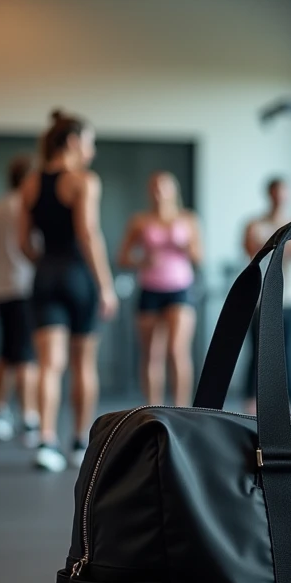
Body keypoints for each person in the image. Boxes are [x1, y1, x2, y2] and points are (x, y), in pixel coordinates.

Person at [20, 110, 118, 472]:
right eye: (90, 142)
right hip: (79, 276)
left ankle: (47, 441)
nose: (91, 150)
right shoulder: (84, 181)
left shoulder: (30, 183)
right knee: (82, 363)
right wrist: (106, 286)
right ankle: (79, 443)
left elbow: (23, 242)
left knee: (49, 364)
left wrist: (46, 265)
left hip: (45, 274)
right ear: (74, 141)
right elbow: (88, 234)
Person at [117, 172, 202, 407]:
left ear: (173, 190)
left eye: (163, 187)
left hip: (180, 289)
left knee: (176, 350)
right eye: (154, 188)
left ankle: (181, 409)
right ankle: (153, 408)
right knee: (151, 354)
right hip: (150, 289)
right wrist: (142, 260)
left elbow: (199, 256)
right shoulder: (140, 221)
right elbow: (122, 257)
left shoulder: (188, 219)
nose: (158, 192)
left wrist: (184, 246)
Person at [243, 178, 291, 407]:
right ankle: (251, 404)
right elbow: (253, 250)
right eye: (276, 192)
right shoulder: (255, 224)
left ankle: (287, 405)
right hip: (262, 299)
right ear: (269, 194)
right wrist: (288, 248)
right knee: (259, 354)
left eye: (284, 192)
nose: (280, 197)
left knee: (290, 355)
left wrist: (278, 246)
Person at [0, 154, 39, 445]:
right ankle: (29, 417)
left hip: (2, 288)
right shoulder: (30, 206)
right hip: (26, 288)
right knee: (25, 356)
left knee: (7, 352)